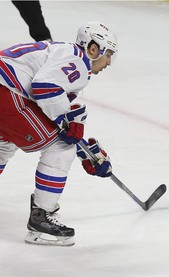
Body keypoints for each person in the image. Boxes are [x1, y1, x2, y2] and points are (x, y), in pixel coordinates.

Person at [0, 21, 116, 246]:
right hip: (6, 93)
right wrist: (70, 131)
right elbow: (44, 88)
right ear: (93, 49)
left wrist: (87, 151)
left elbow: (57, 113)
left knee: (4, 144)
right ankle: (41, 218)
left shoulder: (64, 51)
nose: (109, 61)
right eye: (108, 53)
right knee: (60, 148)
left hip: (5, 89)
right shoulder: (78, 63)